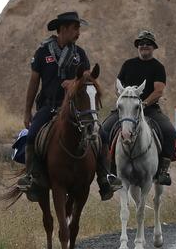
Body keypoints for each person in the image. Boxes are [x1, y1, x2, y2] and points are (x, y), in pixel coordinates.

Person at [18, 11, 119, 201]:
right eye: (75, 28)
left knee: (102, 135)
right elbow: (33, 83)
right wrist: (27, 111)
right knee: (32, 135)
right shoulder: (42, 52)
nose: (78, 32)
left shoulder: (79, 53)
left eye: (78, 28)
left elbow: (87, 78)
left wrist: (73, 82)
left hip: (76, 109)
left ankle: (105, 178)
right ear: (63, 29)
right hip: (49, 106)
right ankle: (31, 177)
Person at [99, 29, 176, 186]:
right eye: (141, 43)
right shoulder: (128, 64)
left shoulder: (158, 67)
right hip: (127, 109)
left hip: (149, 108)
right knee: (104, 130)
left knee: (169, 131)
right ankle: (108, 170)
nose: (144, 46)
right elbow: (118, 86)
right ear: (138, 46)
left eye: (148, 43)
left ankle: (163, 170)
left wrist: (143, 103)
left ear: (153, 47)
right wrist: (125, 98)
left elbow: (158, 90)